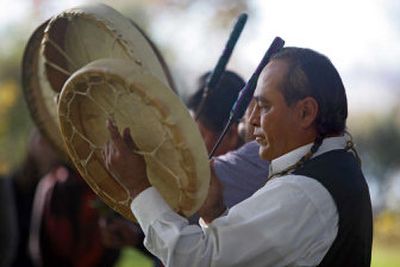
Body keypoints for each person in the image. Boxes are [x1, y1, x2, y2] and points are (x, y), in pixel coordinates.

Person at [103, 46, 373, 266]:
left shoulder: (304, 193)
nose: (251, 121)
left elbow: (196, 259)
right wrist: (215, 214)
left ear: (305, 112)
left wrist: (139, 186)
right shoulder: (333, 169)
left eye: (264, 106)